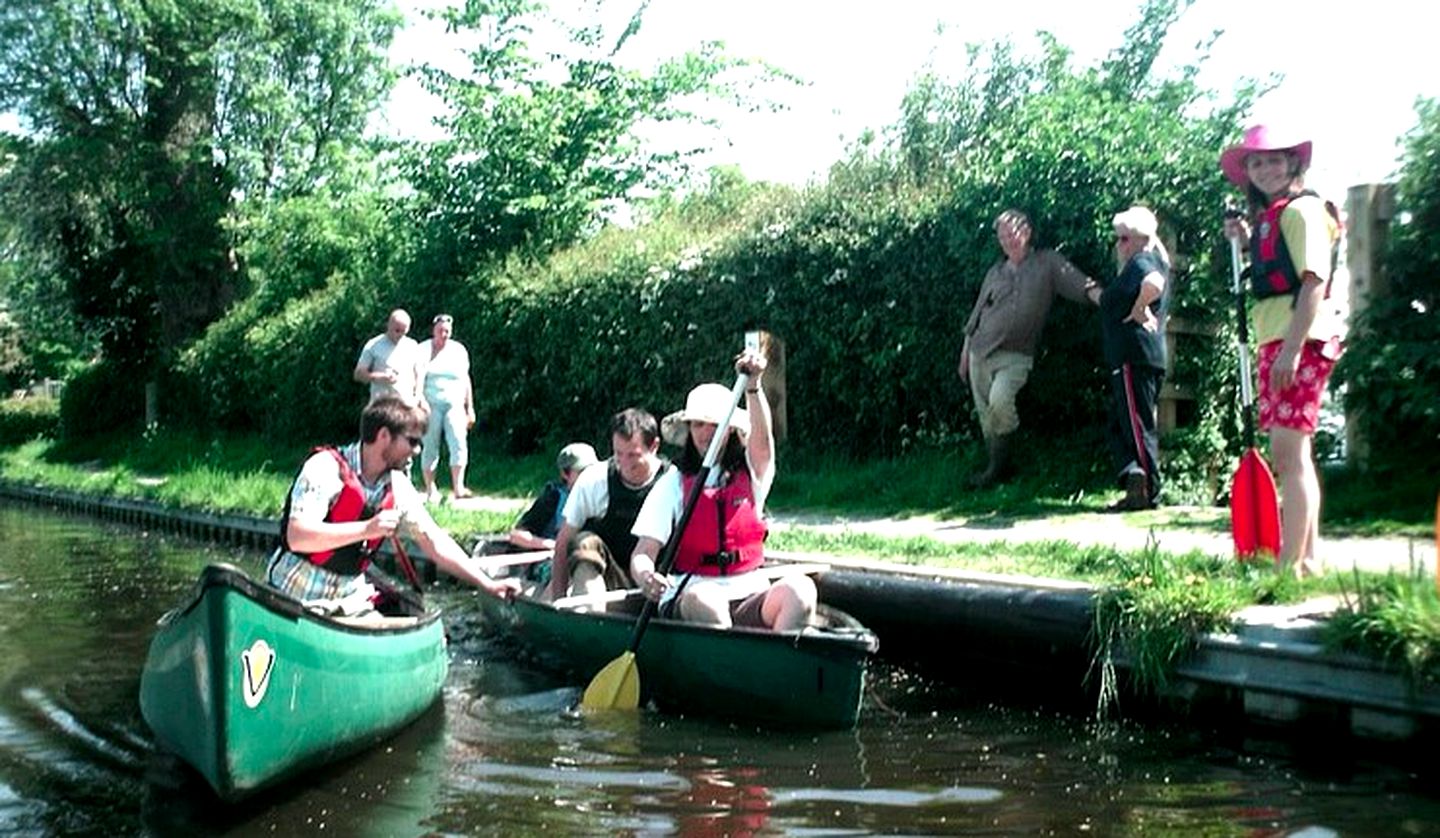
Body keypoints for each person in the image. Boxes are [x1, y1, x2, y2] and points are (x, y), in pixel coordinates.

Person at [1220, 125, 1346, 578]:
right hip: (1279, 340)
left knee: (1288, 453)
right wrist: (1246, 239)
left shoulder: (1304, 211)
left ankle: (1293, 562)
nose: (1266, 168)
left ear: (1293, 163)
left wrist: (1292, 351)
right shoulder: (1276, 215)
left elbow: (1313, 281)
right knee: (1294, 453)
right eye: (1256, 162)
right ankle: (1306, 560)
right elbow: (1280, 269)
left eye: (1275, 160)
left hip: (1301, 342)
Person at [266, 396, 518, 611]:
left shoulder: (398, 486)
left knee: (408, 613)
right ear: (384, 436)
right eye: (412, 441)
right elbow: (298, 537)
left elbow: (434, 542)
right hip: (293, 595)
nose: (417, 450)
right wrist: (367, 529)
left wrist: (488, 584)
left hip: (348, 600)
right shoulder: (324, 468)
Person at [629, 350, 816, 631]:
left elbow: (763, 445)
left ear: (730, 429)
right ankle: (733, 666)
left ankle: (782, 663)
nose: (706, 432)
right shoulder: (672, 483)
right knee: (708, 602)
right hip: (694, 591)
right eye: (698, 424)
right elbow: (643, 552)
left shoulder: (752, 474)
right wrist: (646, 577)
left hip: (748, 588)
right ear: (689, 428)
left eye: (715, 424)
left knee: (801, 591)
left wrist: (753, 387)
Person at [959, 209, 1099, 486]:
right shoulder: (995, 272)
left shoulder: (1046, 263)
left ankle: (999, 467)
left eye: (1012, 233)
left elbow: (1078, 283)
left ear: (1027, 232)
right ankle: (996, 470)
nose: (1008, 240)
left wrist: (1105, 299)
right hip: (979, 352)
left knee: (1000, 401)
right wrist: (965, 355)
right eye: (1002, 236)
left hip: (1016, 355)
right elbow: (975, 317)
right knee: (987, 417)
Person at [1091, 206, 1170, 511]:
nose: (1118, 245)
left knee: (1137, 425)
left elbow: (1153, 284)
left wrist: (1139, 306)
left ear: (1140, 240)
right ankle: (1134, 476)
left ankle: (1148, 491)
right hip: (1137, 356)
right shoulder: (1147, 261)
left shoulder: (1143, 260)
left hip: (1133, 356)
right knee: (1119, 423)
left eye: (1123, 238)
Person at [545, 409, 669, 601]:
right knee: (584, 542)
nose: (624, 463)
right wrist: (558, 601)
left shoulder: (673, 483)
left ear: (654, 446)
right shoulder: (594, 479)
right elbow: (562, 543)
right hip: (610, 589)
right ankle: (589, 617)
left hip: (659, 587)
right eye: (619, 453)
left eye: (633, 455)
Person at [418, 313, 475, 503]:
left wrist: (470, 408)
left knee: (458, 442)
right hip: (430, 404)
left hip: (455, 403)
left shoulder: (459, 350)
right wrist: (419, 402)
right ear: (434, 330)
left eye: (447, 331)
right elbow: (417, 379)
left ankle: (458, 486)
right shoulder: (423, 350)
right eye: (441, 330)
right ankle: (430, 488)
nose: (444, 334)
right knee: (430, 444)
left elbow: (466, 379)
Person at [508, 442, 599, 552]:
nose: (588, 476)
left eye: (592, 470)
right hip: (552, 560)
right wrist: (553, 545)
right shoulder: (553, 497)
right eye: (581, 472)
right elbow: (517, 536)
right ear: (565, 474)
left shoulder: (602, 494)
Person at [354, 309, 425, 408]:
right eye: (397, 330)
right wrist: (380, 377)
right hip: (380, 405)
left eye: (403, 332)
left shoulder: (412, 345)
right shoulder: (373, 345)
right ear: (388, 325)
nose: (399, 335)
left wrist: (417, 397)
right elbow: (358, 374)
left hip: (406, 406)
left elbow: (419, 375)